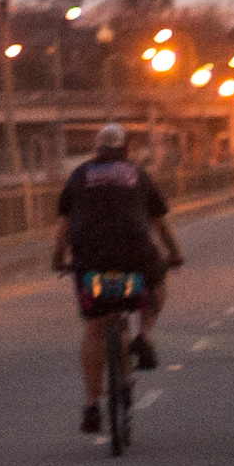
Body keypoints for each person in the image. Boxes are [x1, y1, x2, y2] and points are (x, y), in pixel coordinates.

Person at [50, 122, 182, 433]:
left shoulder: (80, 176)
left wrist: (58, 260)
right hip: (134, 255)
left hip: (91, 258)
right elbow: (159, 223)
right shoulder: (138, 174)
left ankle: (92, 405)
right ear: (126, 150)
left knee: (95, 328)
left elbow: (65, 227)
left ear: (97, 148)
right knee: (156, 286)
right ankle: (145, 334)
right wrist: (174, 253)